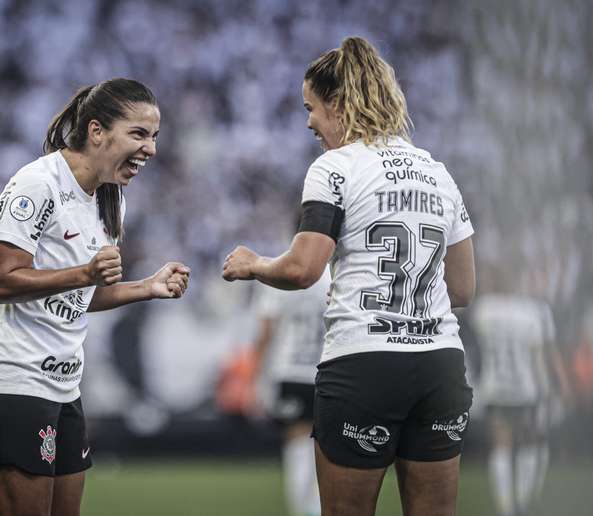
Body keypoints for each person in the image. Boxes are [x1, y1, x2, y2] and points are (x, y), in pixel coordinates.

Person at [223, 36, 475, 516]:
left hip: (365, 364)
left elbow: (302, 269)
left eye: (312, 108)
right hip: (440, 363)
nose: (309, 122)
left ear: (338, 104)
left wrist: (253, 264)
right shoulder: (437, 172)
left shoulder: (334, 168)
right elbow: (463, 288)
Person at [0, 78, 190, 516]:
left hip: (63, 386)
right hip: (9, 380)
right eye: (139, 134)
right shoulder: (37, 183)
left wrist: (147, 287)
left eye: (154, 137)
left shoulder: (110, 198)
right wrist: (84, 272)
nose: (151, 150)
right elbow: (4, 282)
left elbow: (82, 294)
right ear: (97, 131)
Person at [470, 293, 570, 516]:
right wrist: (556, 387)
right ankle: (524, 500)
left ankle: (506, 508)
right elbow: (543, 354)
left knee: (501, 444)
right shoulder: (535, 310)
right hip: (526, 388)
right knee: (532, 440)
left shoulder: (485, 309)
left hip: (495, 387)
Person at [249, 266, 331, 516]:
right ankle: (319, 507)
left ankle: (304, 510)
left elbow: (265, 333)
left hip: (291, 370)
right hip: (329, 369)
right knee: (328, 448)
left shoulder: (277, 270)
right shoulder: (335, 272)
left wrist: (255, 380)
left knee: (297, 444)